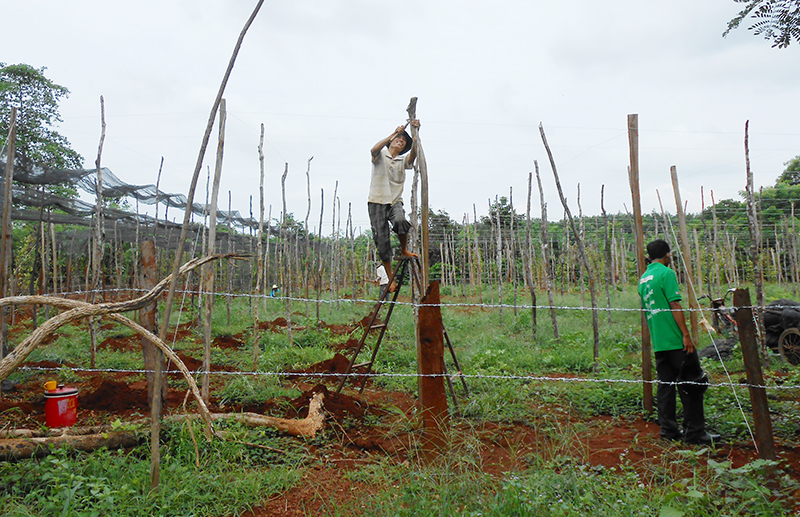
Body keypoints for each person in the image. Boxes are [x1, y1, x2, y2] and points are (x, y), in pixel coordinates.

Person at [638, 239, 720, 445]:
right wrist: (685, 334)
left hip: (659, 341)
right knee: (693, 383)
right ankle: (695, 433)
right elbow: (674, 304)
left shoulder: (643, 279)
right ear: (667, 255)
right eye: (670, 254)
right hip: (676, 340)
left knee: (665, 386)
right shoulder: (667, 274)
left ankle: (668, 431)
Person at [368, 119, 420, 292]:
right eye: (398, 138)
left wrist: (415, 132)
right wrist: (392, 133)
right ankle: (390, 278)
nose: (401, 140)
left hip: (394, 200)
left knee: (400, 221)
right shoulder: (380, 155)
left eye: (404, 140)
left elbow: (414, 154)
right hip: (377, 201)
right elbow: (374, 149)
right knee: (382, 240)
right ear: (391, 140)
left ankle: (404, 249)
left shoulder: (403, 161)